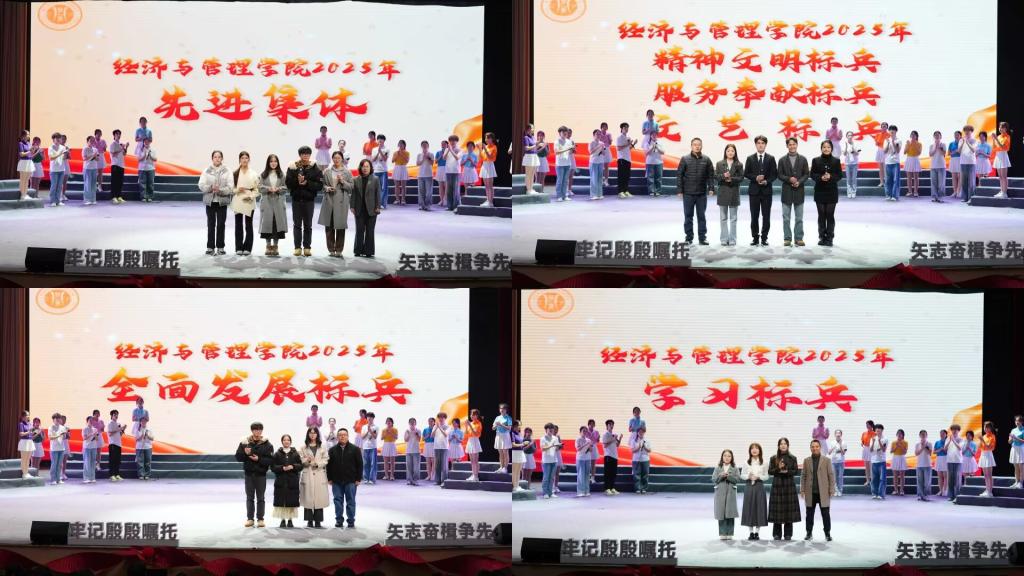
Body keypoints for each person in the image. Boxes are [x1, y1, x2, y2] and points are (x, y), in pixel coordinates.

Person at [286, 146, 324, 257]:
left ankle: (307, 248)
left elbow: (319, 185)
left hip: (309, 200)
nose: (305, 156)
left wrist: (307, 183)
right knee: (297, 225)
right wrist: (297, 181)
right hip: (296, 200)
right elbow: (288, 183)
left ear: (310, 155)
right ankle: (297, 248)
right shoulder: (293, 167)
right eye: (303, 154)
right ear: (300, 155)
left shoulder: (315, 168)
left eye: (307, 154)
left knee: (308, 225)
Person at [235, 421, 274, 528]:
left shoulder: (268, 444)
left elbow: (270, 460)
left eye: (259, 429)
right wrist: (245, 453)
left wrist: (259, 459)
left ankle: (260, 519)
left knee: (261, 498)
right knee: (250, 497)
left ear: (262, 431)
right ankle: (250, 519)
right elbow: (238, 457)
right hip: (249, 474)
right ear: (252, 431)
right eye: (255, 429)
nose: (258, 431)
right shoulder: (244, 443)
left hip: (261, 474)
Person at [677, 137, 715, 245]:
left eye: (699, 144)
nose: (697, 146)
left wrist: (711, 188)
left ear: (701, 146)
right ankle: (689, 238)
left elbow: (710, 175)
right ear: (691, 146)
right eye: (695, 144)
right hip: (688, 193)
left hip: (701, 194)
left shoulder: (706, 159)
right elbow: (679, 175)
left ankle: (702, 238)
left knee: (701, 216)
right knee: (688, 216)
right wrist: (680, 190)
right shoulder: (685, 159)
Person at [326, 428, 363, 529]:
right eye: (340, 435)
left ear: (348, 436)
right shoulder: (332, 450)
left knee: (351, 501)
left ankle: (351, 520)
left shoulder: (355, 449)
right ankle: (339, 520)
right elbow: (328, 466)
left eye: (344, 435)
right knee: (337, 501)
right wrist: (329, 478)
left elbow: (360, 465)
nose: (342, 436)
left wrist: (358, 479)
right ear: (337, 437)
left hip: (351, 480)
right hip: (336, 481)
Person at [198, 150, 233, 255]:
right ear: (212, 158)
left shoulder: (227, 171)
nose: (217, 159)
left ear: (222, 158)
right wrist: (210, 187)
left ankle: (220, 247)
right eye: (215, 157)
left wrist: (220, 190)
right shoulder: (207, 170)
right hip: (210, 201)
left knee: (221, 224)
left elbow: (230, 187)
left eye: (219, 157)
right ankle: (210, 247)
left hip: (222, 201)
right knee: (211, 224)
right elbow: (201, 185)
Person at [744, 135, 777, 246]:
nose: (760, 145)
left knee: (766, 216)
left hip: (766, 192)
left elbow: (774, 174)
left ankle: (764, 238)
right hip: (754, 192)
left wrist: (767, 181)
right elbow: (746, 173)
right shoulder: (750, 158)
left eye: (762, 143)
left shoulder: (771, 158)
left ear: (765, 145)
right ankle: (755, 238)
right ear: (755, 144)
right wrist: (755, 178)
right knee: (754, 216)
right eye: (758, 143)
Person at [320, 151, 353, 258]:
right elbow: (322, 185)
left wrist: (343, 182)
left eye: (338, 158)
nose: (336, 160)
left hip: (341, 201)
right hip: (329, 200)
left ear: (342, 159)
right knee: (329, 226)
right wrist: (327, 188)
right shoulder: (327, 171)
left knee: (340, 226)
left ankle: (339, 249)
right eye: (334, 158)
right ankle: (331, 249)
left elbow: (351, 187)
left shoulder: (347, 172)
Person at [777, 137, 809, 247]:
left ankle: (799, 238)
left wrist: (799, 182)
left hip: (799, 191)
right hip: (787, 191)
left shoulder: (803, 159)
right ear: (787, 146)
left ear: (797, 145)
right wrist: (789, 179)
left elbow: (806, 174)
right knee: (786, 218)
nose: (792, 146)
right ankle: (787, 238)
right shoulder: (782, 160)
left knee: (799, 218)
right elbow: (779, 174)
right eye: (790, 144)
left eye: (794, 144)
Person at [801, 440, 835, 542]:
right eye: (812, 446)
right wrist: (802, 489)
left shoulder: (826, 460)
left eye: (816, 446)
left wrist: (832, 489)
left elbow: (831, 475)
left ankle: (827, 533)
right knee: (809, 515)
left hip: (823, 492)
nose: (814, 448)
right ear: (810, 448)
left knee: (825, 514)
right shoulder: (806, 460)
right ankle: (809, 533)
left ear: (820, 447)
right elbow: (803, 476)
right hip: (810, 492)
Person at [811, 140, 843, 246]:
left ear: (831, 149)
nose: (826, 149)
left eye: (828, 147)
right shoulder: (815, 160)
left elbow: (839, 175)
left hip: (831, 191)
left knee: (830, 215)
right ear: (821, 148)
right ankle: (822, 237)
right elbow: (812, 174)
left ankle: (829, 238)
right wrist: (821, 177)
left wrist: (830, 177)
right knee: (821, 215)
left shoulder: (836, 161)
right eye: (824, 147)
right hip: (820, 191)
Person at [768, 438, 799, 540]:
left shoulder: (793, 458)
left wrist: (787, 471)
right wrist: (778, 468)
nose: (783, 445)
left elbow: (795, 471)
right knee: (777, 509)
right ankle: (776, 534)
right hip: (777, 485)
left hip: (789, 485)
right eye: (781, 444)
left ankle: (788, 534)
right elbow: (770, 471)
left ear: (788, 445)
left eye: (785, 443)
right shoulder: (773, 458)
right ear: (778, 446)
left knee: (788, 509)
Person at [299, 427, 329, 528]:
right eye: (310, 433)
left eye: (314, 433)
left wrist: (317, 464)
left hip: (319, 473)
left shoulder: (322, 447)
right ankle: (309, 520)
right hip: (308, 473)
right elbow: (300, 460)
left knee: (318, 499)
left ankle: (318, 520)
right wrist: (307, 460)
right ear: (308, 434)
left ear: (317, 434)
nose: (312, 435)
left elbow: (326, 459)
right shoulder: (303, 447)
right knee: (308, 498)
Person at [258, 154, 288, 257]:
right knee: (267, 224)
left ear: (278, 163)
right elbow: (259, 187)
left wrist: (278, 189)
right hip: (267, 202)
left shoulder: (281, 175)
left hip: (278, 203)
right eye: (271, 161)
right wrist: (268, 189)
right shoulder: (263, 175)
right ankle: (268, 246)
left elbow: (285, 187)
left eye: (275, 161)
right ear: (268, 163)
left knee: (276, 224)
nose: (273, 163)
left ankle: (275, 246)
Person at [351, 159, 381, 259]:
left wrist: (378, 206)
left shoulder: (375, 179)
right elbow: (353, 194)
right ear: (360, 168)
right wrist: (352, 206)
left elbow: (378, 194)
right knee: (359, 230)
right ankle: (358, 250)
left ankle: (369, 251)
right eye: (363, 166)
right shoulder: (356, 179)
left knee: (370, 231)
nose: (365, 168)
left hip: (372, 209)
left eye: (367, 166)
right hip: (359, 209)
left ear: (370, 168)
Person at [231, 151, 260, 256]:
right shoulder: (235, 173)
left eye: (246, 158)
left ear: (249, 159)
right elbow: (231, 189)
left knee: (249, 224)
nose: (244, 160)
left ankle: (248, 248)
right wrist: (237, 190)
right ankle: (238, 247)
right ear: (239, 159)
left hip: (249, 200)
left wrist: (251, 196)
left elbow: (257, 189)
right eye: (242, 158)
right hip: (238, 200)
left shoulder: (254, 173)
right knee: (238, 224)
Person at [271, 434, 303, 528]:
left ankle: (290, 519)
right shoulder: (277, 454)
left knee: (291, 501)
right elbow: (273, 467)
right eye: (284, 440)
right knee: (281, 501)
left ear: (290, 442)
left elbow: (300, 466)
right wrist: (282, 468)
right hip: (280, 481)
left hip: (292, 481)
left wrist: (293, 466)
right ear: (282, 442)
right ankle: (282, 519)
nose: (286, 441)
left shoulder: (295, 453)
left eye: (288, 440)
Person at [715, 143, 744, 246]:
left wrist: (731, 179)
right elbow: (716, 177)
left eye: (732, 151)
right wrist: (723, 176)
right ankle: (724, 238)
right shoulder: (719, 163)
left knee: (733, 218)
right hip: (723, 193)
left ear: (735, 152)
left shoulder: (739, 164)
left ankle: (732, 239)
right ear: (725, 152)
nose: (730, 152)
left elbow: (741, 178)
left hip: (734, 193)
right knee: (723, 218)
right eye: (728, 151)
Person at [741, 443, 768, 540]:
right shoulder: (746, 462)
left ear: (760, 450)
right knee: (749, 508)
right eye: (752, 448)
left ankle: (757, 532)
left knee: (759, 508)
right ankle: (751, 532)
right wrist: (748, 476)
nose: (754, 450)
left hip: (759, 486)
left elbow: (766, 476)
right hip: (749, 486)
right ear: (750, 451)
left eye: (756, 448)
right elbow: (742, 475)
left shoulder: (764, 462)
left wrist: (759, 477)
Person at [713, 449, 741, 540]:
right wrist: (721, 476)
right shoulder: (718, 468)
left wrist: (728, 476)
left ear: (732, 458)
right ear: (722, 457)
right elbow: (714, 479)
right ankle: (722, 533)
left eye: (729, 456)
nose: (727, 457)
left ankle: (730, 533)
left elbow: (737, 479)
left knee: (730, 513)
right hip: (720, 493)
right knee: (721, 513)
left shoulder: (735, 468)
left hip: (731, 493)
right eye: (725, 455)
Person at [47, 132, 69, 207]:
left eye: (59, 138)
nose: (58, 139)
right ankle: (53, 201)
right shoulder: (50, 148)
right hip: (54, 170)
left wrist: (66, 153)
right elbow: (51, 158)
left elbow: (64, 158)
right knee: (54, 185)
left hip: (61, 169)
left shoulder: (63, 147)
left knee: (60, 186)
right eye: (56, 138)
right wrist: (60, 154)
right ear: (53, 139)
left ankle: (58, 200)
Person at [601, 419, 622, 495]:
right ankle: (607, 489)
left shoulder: (613, 434)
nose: (611, 426)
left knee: (613, 473)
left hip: (614, 456)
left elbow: (617, 445)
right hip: (608, 455)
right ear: (607, 426)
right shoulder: (605, 434)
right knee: (608, 473)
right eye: (610, 424)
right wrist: (613, 439)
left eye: (612, 424)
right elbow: (605, 445)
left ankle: (612, 488)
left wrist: (620, 438)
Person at [991, 122, 1012, 198]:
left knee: (1004, 176)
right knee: (1000, 176)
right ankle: (1002, 191)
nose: (1000, 129)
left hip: (1003, 155)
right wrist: (994, 139)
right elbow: (994, 148)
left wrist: (996, 139)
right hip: (998, 155)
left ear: (1006, 129)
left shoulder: (1007, 137)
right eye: (999, 127)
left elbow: (1003, 147)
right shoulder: (999, 136)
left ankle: (1004, 193)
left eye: (1002, 127)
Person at [616, 123, 636, 198]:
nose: (626, 129)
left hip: (628, 159)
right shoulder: (619, 138)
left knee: (627, 176)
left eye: (627, 128)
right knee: (621, 176)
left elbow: (629, 148)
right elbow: (618, 148)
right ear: (621, 129)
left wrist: (633, 144)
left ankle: (626, 191)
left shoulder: (628, 138)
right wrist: (628, 144)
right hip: (621, 158)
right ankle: (620, 191)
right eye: (625, 128)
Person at [957, 126, 977, 203]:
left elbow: (973, 150)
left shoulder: (974, 140)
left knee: (971, 182)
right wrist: (963, 142)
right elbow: (959, 151)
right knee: (964, 181)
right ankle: (965, 198)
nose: (967, 132)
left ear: (971, 131)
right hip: (963, 162)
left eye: (969, 130)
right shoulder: (961, 140)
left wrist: (967, 142)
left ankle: (971, 198)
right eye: (965, 130)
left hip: (971, 162)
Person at [540, 423, 560, 499]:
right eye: (549, 428)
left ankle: (550, 492)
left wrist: (558, 446)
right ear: (546, 430)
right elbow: (543, 449)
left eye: (552, 428)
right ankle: (545, 493)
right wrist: (551, 445)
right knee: (546, 477)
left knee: (552, 477)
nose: (551, 430)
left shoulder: (555, 438)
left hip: (554, 460)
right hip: (546, 461)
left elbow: (557, 449)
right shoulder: (543, 438)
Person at [869, 423, 888, 500]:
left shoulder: (885, 439)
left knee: (882, 479)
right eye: (876, 430)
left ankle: (881, 494)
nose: (877, 431)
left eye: (879, 430)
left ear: (882, 430)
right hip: (874, 461)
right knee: (874, 479)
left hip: (881, 461)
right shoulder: (872, 439)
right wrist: (873, 442)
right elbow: (870, 450)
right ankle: (874, 493)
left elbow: (883, 450)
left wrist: (879, 441)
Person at [882, 125, 901, 201]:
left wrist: (893, 142)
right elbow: (884, 151)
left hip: (895, 162)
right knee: (887, 180)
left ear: (896, 131)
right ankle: (888, 195)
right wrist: (888, 143)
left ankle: (894, 196)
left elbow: (897, 151)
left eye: (893, 130)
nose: (892, 131)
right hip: (888, 162)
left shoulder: (898, 140)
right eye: (890, 130)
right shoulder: (886, 140)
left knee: (896, 180)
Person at [553, 127, 573, 202]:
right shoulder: (557, 142)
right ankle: (559, 196)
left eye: (566, 132)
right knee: (560, 180)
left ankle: (565, 195)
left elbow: (570, 152)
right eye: (563, 132)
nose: (565, 133)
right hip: (559, 164)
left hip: (567, 163)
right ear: (559, 133)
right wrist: (567, 149)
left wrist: (572, 149)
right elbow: (556, 152)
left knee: (565, 181)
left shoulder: (569, 141)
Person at [945, 424, 964, 501]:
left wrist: (953, 440)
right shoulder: (948, 439)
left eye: (956, 429)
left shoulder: (961, 439)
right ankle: (951, 496)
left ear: (958, 431)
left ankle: (957, 496)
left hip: (958, 461)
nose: (954, 431)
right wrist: (950, 440)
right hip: (949, 460)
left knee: (957, 479)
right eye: (953, 429)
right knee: (950, 479)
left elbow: (960, 448)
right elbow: (945, 449)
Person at [574, 425, 594, 497]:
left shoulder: (588, 439)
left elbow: (591, 450)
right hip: (580, 459)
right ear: (580, 432)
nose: (585, 432)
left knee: (587, 475)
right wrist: (585, 444)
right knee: (580, 475)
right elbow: (578, 449)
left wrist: (590, 445)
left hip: (587, 458)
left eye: (586, 431)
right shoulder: (578, 439)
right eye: (583, 431)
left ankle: (586, 491)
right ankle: (580, 491)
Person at [630, 427, 651, 494]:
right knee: (636, 475)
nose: (641, 433)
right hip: (636, 459)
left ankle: (644, 488)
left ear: (644, 432)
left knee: (645, 474)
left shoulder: (647, 440)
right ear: (637, 433)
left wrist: (645, 447)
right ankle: (638, 488)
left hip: (645, 459)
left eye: (642, 432)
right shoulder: (634, 440)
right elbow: (632, 450)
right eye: (639, 432)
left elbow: (649, 450)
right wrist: (638, 447)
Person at [978, 421, 996, 497]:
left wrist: (982, 440)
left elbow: (989, 447)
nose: (985, 429)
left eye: (987, 427)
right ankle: (987, 490)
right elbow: (980, 447)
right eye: (984, 427)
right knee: (985, 475)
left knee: (989, 475)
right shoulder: (984, 436)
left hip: (988, 454)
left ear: (990, 428)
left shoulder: (992, 436)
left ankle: (990, 492)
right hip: (983, 454)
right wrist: (980, 441)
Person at [371, 134, 390, 209]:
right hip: (376, 170)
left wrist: (381, 152)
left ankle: (382, 204)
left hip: (383, 170)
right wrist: (378, 152)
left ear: (384, 140)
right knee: (376, 187)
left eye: (381, 139)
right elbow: (373, 160)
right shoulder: (374, 149)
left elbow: (385, 159)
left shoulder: (387, 149)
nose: (380, 140)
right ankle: (376, 203)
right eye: (378, 139)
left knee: (383, 188)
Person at [840, 131, 860, 198]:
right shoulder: (844, 144)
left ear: (852, 136)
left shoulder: (856, 143)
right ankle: (849, 192)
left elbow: (857, 153)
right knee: (848, 178)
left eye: (851, 135)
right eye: (848, 135)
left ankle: (853, 191)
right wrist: (846, 146)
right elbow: (844, 154)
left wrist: (853, 148)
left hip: (855, 163)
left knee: (854, 178)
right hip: (847, 164)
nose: (850, 136)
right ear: (846, 136)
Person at [109, 130, 127, 204]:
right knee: (114, 182)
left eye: (119, 134)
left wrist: (126, 147)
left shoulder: (121, 144)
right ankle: (114, 197)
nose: (118, 135)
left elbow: (124, 154)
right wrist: (121, 148)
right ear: (114, 135)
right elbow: (113, 154)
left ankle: (119, 196)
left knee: (120, 182)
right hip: (115, 164)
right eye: (117, 134)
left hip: (121, 164)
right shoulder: (113, 144)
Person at [48, 413, 67, 485]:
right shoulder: (51, 427)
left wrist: (65, 434)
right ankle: (53, 479)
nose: (57, 420)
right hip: (54, 449)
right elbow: (50, 438)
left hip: (61, 448)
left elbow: (64, 437)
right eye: (56, 418)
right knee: (54, 464)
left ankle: (58, 479)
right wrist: (59, 435)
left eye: (58, 418)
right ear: (53, 420)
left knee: (59, 465)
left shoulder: (62, 427)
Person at [464, 409, 483, 481]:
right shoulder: (471, 423)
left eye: (473, 415)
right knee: (472, 460)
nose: (471, 416)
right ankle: (473, 474)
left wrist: (470, 425)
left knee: (475, 460)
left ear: (477, 416)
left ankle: (476, 476)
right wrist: (466, 426)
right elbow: (466, 434)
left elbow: (476, 434)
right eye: (471, 414)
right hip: (470, 441)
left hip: (475, 440)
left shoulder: (479, 423)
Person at [444, 135, 462, 210]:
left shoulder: (460, 149)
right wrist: (448, 150)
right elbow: (444, 158)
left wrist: (451, 150)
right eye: (451, 140)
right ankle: (449, 206)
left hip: (456, 171)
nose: (452, 142)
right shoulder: (447, 149)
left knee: (456, 190)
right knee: (449, 190)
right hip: (448, 171)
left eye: (454, 140)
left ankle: (456, 206)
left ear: (457, 141)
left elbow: (457, 158)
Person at [107, 410, 125, 482]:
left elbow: (120, 434)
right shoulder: (110, 423)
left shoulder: (118, 424)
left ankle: (117, 474)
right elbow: (110, 434)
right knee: (112, 460)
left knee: (117, 460)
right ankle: (112, 475)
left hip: (118, 444)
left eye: (117, 414)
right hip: (112, 444)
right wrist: (118, 429)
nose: (116, 416)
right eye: (114, 415)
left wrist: (122, 430)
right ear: (111, 416)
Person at [433, 412, 452, 485]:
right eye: (439, 417)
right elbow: (432, 435)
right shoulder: (435, 426)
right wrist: (436, 427)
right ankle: (437, 481)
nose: (440, 419)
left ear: (445, 418)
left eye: (442, 417)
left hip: (444, 447)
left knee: (444, 465)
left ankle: (444, 481)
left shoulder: (448, 426)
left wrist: (439, 427)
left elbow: (445, 434)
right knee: (437, 465)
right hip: (436, 447)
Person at [480, 133, 498, 207]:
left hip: (489, 165)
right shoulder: (486, 147)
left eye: (488, 138)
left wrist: (484, 148)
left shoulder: (494, 147)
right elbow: (482, 157)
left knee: (490, 185)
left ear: (492, 139)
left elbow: (490, 157)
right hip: (484, 165)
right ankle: (488, 200)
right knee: (486, 185)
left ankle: (490, 202)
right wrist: (480, 149)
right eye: (485, 138)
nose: (486, 139)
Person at [360, 412, 379, 484]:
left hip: (373, 447)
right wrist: (367, 431)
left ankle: (372, 479)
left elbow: (375, 436)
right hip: (365, 447)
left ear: (373, 418)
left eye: (371, 417)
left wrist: (370, 430)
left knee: (373, 464)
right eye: (368, 417)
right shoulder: (364, 427)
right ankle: (366, 479)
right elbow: (362, 437)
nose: (369, 418)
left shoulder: (376, 427)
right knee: (365, 464)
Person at [588, 130, 607, 200]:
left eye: (599, 134)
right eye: (597, 134)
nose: (598, 135)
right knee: (594, 178)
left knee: (600, 178)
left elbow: (604, 153)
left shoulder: (602, 143)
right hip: (593, 162)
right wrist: (598, 146)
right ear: (594, 135)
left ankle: (599, 194)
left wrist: (602, 148)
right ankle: (593, 195)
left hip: (600, 161)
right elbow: (590, 152)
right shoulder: (591, 142)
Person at [459, 140, 479, 207]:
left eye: (471, 146)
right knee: (466, 187)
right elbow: (461, 164)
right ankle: (466, 200)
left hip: (472, 170)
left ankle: (472, 200)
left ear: (473, 147)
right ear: (467, 147)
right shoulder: (464, 155)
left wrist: (471, 160)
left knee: (472, 187)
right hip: (465, 170)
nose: (470, 147)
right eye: (469, 146)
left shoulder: (475, 155)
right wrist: (466, 160)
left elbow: (476, 165)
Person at [915, 430, 933, 501]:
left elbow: (930, 453)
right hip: (919, 465)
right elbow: (916, 453)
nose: (923, 435)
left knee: (927, 482)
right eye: (921, 434)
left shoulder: (929, 443)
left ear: (926, 435)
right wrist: (922, 447)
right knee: (920, 482)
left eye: (924, 434)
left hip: (927, 464)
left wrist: (925, 446)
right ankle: (920, 495)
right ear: (919, 436)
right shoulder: (917, 444)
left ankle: (926, 495)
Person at [494, 403, 512, 473]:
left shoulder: (508, 418)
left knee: (505, 452)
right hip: (498, 435)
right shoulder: (497, 418)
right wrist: (496, 425)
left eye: (503, 408)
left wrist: (501, 424)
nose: (502, 410)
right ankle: (501, 467)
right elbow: (493, 428)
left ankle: (505, 468)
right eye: (501, 408)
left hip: (505, 435)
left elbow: (509, 428)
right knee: (500, 452)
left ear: (506, 410)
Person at [928, 131, 947, 203]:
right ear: (933, 137)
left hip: (941, 166)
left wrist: (939, 147)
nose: (936, 136)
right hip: (933, 166)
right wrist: (935, 147)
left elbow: (944, 153)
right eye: (935, 135)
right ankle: (935, 197)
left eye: (938, 135)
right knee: (934, 183)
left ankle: (941, 197)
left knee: (941, 183)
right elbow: (930, 154)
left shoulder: (943, 144)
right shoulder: (931, 146)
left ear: (940, 136)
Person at [137, 137, 157, 203]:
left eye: (147, 141)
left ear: (150, 142)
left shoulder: (153, 149)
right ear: (143, 142)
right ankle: (143, 197)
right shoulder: (140, 149)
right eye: (145, 141)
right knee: (142, 184)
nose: (146, 142)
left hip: (151, 168)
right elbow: (138, 159)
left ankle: (150, 197)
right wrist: (144, 155)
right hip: (142, 168)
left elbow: (155, 159)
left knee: (150, 183)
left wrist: (150, 155)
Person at [82, 135, 100, 206]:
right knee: (87, 184)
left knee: (93, 184)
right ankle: (87, 200)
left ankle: (93, 199)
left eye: (93, 140)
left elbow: (98, 159)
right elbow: (84, 158)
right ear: (87, 141)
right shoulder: (85, 149)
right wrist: (92, 155)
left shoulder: (95, 149)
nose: (92, 142)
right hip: (87, 168)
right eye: (90, 140)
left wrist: (95, 156)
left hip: (94, 168)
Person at [416, 141, 435, 211]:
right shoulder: (419, 155)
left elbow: (432, 163)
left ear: (428, 146)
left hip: (429, 175)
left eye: (425, 145)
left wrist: (427, 158)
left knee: (428, 192)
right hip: (420, 175)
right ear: (421, 146)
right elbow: (417, 164)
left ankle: (428, 205)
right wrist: (423, 158)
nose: (424, 146)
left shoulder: (431, 154)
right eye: (423, 145)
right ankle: (422, 205)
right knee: (421, 191)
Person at [134, 415, 154, 481]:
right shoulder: (137, 430)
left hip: (148, 447)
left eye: (144, 421)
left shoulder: (149, 429)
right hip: (139, 447)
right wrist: (141, 436)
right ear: (140, 422)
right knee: (140, 462)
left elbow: (152, 438)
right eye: (142, 421)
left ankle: (147, 475)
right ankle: (141, 475)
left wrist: (147, 436)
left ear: (146, 421)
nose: (143, 422)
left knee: (148, 461)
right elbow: (136, 439)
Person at [522, 124, 540, 194]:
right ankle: (528, 190)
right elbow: (526, 148)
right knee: (528, 174)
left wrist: (539, 145)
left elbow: (535, 147)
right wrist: (535, 145)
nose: (533, 129)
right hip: (529, 157)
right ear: (528, 129)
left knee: (532, 174)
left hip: (534, 156)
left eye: (533, 128)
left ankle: (531, 188)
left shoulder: (533, 137)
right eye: (531, 128)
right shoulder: (526, 137)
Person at [82, 416, 100, 484]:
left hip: (94, 447)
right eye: (90, 421)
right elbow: (84, 438)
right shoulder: (84, 429)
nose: (91, 422)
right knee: (87, 463)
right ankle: (86, 478)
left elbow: (97, 439)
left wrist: (95, 435)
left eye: (92, 421)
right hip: (87, 447)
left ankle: (92, 477)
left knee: (93, 462)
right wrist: (92, 434)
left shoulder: (95, 429)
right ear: (87, 421)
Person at [890, 429, 908, 496]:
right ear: (896, 435)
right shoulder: (893, 442)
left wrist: (900, 446)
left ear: (903, 435)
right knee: (895, 476)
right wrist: (896, 446)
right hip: (895, 458)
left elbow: (905, 452)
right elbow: (891, 451)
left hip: (902, 458)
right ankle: (895, 490)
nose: (899, 435)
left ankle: (901, 490)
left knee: (902, 475)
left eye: (901, 434)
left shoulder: (905, 442)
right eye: (898, 433)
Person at [828, 429, 846, 497]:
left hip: (841, 462)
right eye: (837, 433)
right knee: (834, 477)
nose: (838, 434)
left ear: (841, 434)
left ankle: (840, 490)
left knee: (840, 477)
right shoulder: (832, 442)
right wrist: (833, 448)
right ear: (835, 434)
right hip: (833, 462)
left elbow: (843, 453)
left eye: (839, 433)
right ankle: (835, 491)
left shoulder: (843, 442)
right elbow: (829, 453)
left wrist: (840, 445)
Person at [16, 131, 33, 201]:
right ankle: (22, 195)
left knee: (27, 179)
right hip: (23, 163)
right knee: (23, 179)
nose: (29, 135)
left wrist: (34, 150)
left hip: (29, 162)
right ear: (23, 136)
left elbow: (30, 153)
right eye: (27, 134)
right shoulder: (21, 143)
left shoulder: (29, 143)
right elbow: (21, 154)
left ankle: (25, 194)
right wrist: (29, 151)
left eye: (29, 134)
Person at [904, 131, 922, 197]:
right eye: (912, 135)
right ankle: (909, 191)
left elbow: (919, 153)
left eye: (914, 135)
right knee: (909, 177)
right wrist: (908, 145)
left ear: (916, 136)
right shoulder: (908, 143)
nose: (913, 136)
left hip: (915, 159)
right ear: (910, 136)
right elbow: (904, 152)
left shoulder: (919, 144)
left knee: (916, 177)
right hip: (909, 159)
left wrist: (914, 144)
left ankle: (916, 192)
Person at [392, 140, 410, 206]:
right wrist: (397, 155)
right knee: (396, 185)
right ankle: (397, 199)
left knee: (403, 186)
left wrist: (402, 154)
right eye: (399, 144)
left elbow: (407, 161)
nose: (400, 145)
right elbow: (392, 161)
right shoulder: (395, 153)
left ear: (404, 145)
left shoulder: (407, 153)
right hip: (397, 167)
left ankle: (403, 200)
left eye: (402, 144)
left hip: (403, 167)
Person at [873, 122, 890, 190]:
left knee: (886, 168)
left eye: (885, 126)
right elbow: (877, 143)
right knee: (880, 168)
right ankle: (881, 182)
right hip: (880, 150)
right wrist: (878, 142)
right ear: (881, 127)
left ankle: (887, 182)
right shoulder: (878, 135)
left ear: (887, 127)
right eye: (882, 126)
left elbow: (888, 144)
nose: (883, 127)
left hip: (886, 151)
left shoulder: (889, 135)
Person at [17, 411, 34, 478]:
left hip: (30, 442)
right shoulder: (21, 424)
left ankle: (26, 472)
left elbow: (31, 433)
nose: (28, 416)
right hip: (24, 442)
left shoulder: (30, 424)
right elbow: (21, 434)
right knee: (24, 459)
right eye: (27, 415)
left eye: (28, 415)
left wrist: (35, 432)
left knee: (28, 459)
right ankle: (24, 473)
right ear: (23, 417)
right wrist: (29, 432)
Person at [404, 418, 421, 486]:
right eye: (411, 422)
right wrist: (409, 434)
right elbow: (406, 440)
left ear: (415, 423)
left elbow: (419, 439)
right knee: (409, 467)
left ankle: (415, 480)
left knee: (416, 467)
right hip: (408, 451)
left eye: (413, 422)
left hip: (416, 451)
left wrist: (416, 434)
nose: (412, 423)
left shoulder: (418, 430)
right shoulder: (407, 430)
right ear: (409, 423)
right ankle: (409, 480)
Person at [1010, 415, 1024, 489]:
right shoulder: (1013, 430)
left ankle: (1021, 483)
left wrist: (1016, 438)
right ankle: (1016, 482)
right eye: (1016, 420)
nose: (1017, 422)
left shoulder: (1023, 430)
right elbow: (1009, 441)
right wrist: (1011, 439)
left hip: (1021, 448)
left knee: (1021, 466)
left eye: (1018, 421)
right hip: (1014, 448)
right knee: (1015, 466)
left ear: (1021, 422)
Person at [860, 420, 875, 486]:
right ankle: (868, 480)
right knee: (866, 466)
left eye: (868, 424)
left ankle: (873, 480)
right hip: (865, 449)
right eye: (866, 425)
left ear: (871, 425)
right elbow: (862, 441)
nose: (867, 426)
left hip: (871, 449)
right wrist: (862, 443)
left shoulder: (874, 433)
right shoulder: (864, 433)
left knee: (872, 466)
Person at [934, 428, 949, 496]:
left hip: (946, 458)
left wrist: (944, 450)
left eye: (943, 433)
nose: (941, 434)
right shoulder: (937, 442)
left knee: (945, 476)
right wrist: (940, 449)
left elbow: (949, 451)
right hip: (939, 459)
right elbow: (934, 452)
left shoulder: (948, 442)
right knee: (939, 476)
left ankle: (945, 490)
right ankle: (940, 491)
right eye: (941, 433)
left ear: (946, 434)